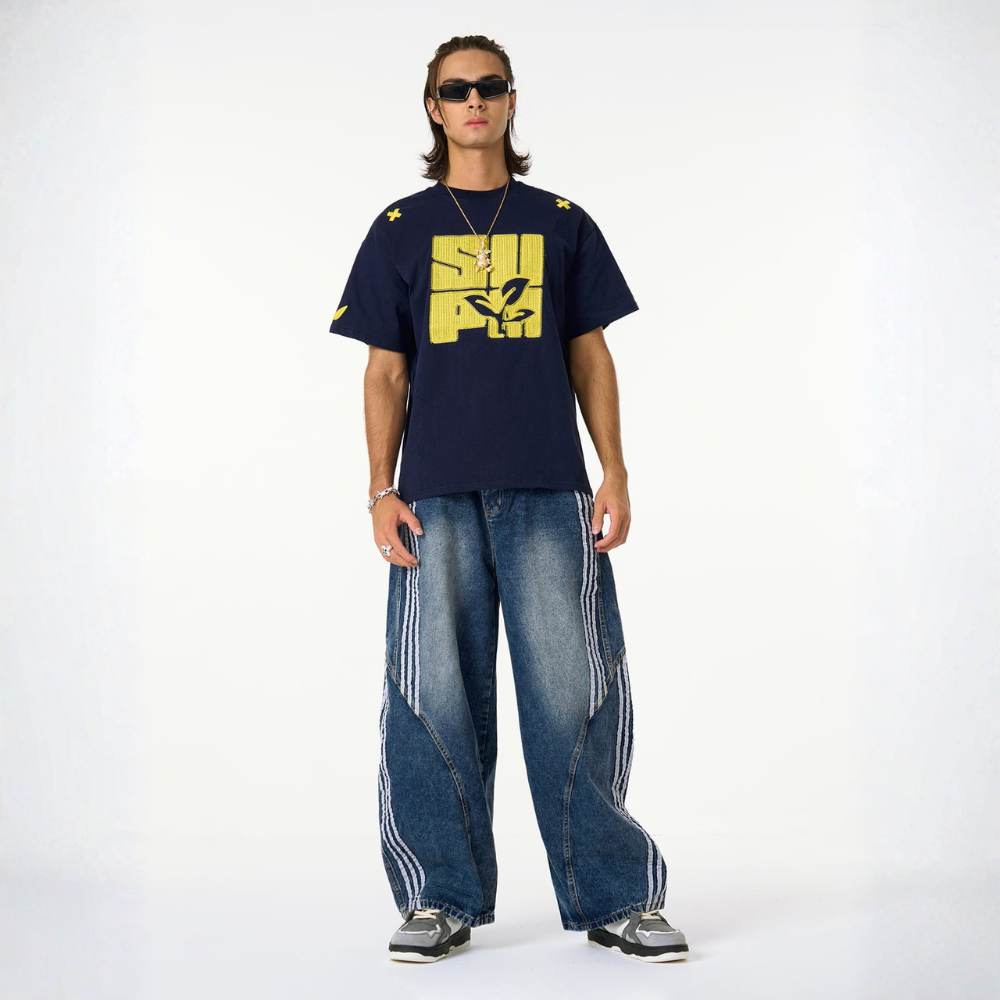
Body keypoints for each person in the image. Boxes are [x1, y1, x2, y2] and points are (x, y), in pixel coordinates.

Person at [327, 34, 689, 965]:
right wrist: (378, 489)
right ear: (434, 108)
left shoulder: (561, 222)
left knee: (575, 694)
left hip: (549, 493)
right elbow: (385, 372)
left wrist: (615, 471)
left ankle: (616, 896)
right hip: (434, 500)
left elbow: (589, 353)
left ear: (512, 100)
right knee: (431, 699)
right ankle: (438, 897)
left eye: (490, 86)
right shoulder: (400, 228)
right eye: (456, 89)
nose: (474, 100)